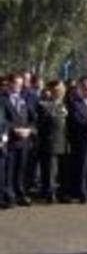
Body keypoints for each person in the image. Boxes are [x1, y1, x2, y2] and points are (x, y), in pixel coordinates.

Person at [1, 73, 37, 206]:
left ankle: (21, 193)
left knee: (22, 169)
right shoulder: (2, 99)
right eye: (16, 83)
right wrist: (14, 129)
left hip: (24, 141)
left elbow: (32, 118)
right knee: (9, 169)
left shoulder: (24, 100)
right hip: (10, 141)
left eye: (20, 84)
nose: (18, 86)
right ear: (9, 83)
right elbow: (2, 120)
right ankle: (8, 195)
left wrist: (30, 130)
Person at [36, 80, 69, 203]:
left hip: (65, 142)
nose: (60, 92)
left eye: (62, 89)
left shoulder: (66, 104)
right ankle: (49, 194)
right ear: (51, 91)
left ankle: (62, 193)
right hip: (51, 141)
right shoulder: (44, 105)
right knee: (50, 170)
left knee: (62, 170)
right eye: (57, 90)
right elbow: (42, 124)